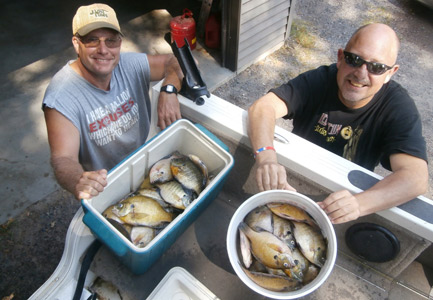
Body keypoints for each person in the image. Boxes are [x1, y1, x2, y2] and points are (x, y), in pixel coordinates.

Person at [248, 23, 428, 224]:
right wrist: (266, 159)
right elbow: (263, 108)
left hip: (343, 197)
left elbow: (416, 178)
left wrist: (359, 204)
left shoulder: (398, 107)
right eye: (354, 60)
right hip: (290, 181)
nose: (361, 73)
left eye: (376, 67)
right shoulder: (321, 79)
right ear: (340, 57)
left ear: (390, 73)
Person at [42, 3, 184, 200]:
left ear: (119, 42)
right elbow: (63, 159)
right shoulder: (61, 97)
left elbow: (172, 61)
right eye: (92, 40)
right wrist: (78, 180)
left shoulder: (129, 64)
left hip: (146, 160)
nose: (103, 49)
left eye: (111, 41)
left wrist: (168, 90)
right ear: (76, 43)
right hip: (106, 183)